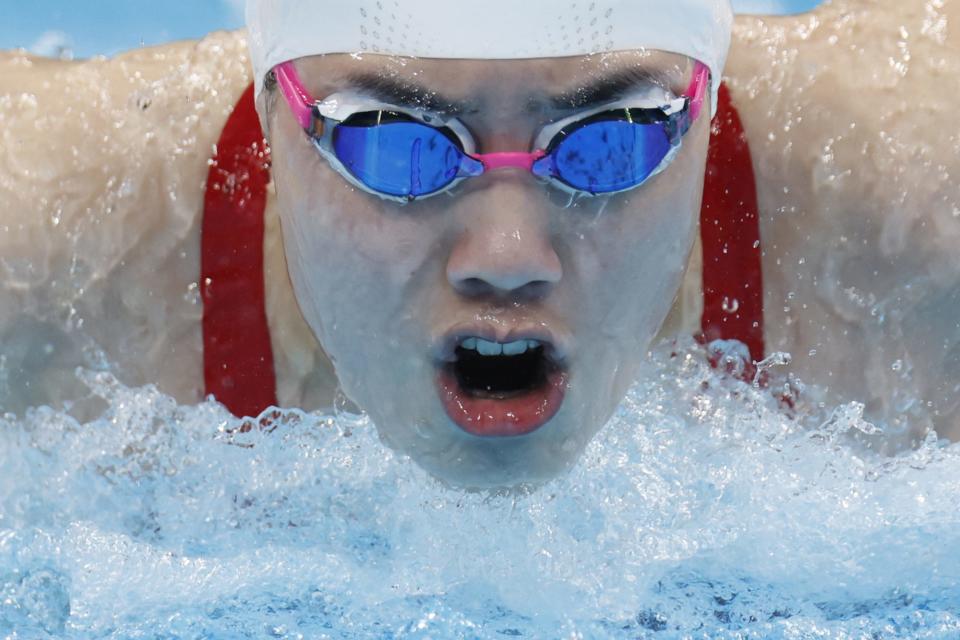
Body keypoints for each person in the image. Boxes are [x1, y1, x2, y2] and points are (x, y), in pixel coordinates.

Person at [0, 0, 956, 487]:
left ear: (703, 109)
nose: (506, 252)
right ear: (270, 121)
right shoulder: (43, 256)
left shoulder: (915, 212)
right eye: (397, 144)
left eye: (614, 136)